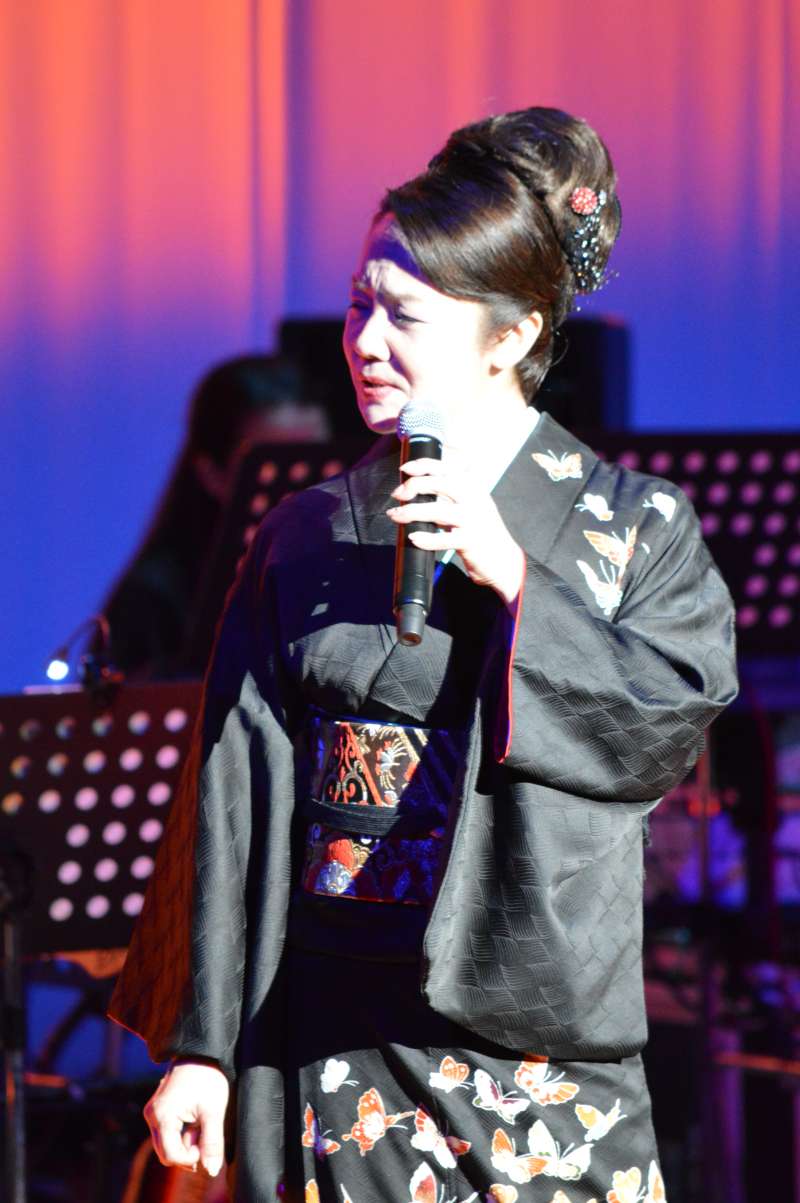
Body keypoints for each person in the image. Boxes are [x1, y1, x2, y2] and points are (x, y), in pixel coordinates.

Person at [109, 107, 738, 1202]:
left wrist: (516, 575)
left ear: (511, 336)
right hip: (334, 1029)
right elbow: (234, 795)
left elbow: (662, 728)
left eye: (403, 314)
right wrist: (202, 1046)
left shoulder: (637, 529)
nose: (363, 340)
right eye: (360, 303)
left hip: (540, 1036)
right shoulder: (303, 533)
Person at [97, 353, 328, 680]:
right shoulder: (156, 597)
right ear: (212, 475)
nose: (304, 489)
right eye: (277, 465)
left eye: (317, 461)